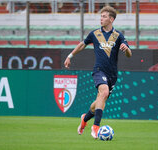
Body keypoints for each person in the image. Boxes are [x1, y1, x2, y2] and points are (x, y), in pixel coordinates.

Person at [64, 6, 132, 139]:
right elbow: (82, 44)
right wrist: (70, 56)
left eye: (104, 16)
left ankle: (85, 119)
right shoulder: (94, 34)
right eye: (101, 16)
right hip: (99, 71)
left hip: (112, 74)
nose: (101, 19)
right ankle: (96, 127)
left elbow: (129, 54)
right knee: (104, 92)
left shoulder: (118, 36)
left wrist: (126, 49)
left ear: (111, 19)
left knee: (99, 101)